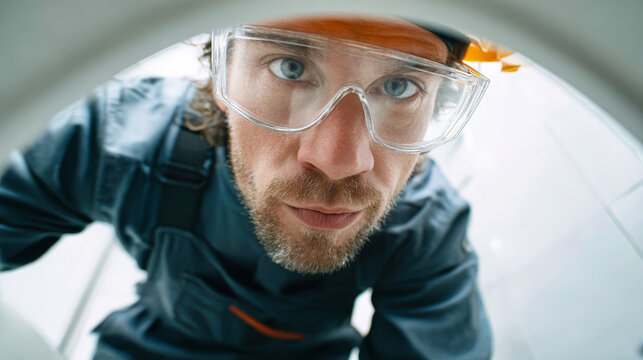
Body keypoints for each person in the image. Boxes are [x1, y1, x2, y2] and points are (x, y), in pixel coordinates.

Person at [0, 15, 492, 359]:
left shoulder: (427, 230)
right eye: (291, 67)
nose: (340, 162)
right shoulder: (117, 141)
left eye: (401, 86)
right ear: (222, 68)